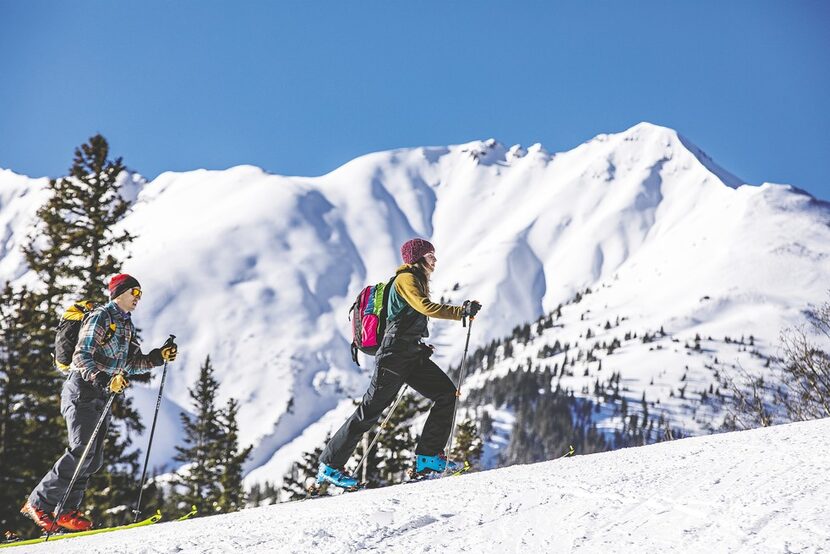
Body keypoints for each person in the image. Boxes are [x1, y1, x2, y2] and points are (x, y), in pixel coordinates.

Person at [317, 238, 481, 488]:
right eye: (430, 255)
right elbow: (424, 307)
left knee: (446, 394)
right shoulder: (406, 279)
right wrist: (460, 312)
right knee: (370, 410)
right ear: (417, 258)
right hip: (394, 356)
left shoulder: (416, 280)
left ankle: (427, 458)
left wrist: (416, 344)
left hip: (408, 354)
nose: (434, 260)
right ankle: (330, 465)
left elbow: (404, 319)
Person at [20, 274, 178, 532]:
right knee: (81, 450)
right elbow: (81, 357)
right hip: (82, 389)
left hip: (100, 394)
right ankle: (39, 503)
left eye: (140, 294)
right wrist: (106, 379)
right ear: (119, 293)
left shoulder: (125, 325)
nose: (138, 298)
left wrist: (158, 357)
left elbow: (130, 362)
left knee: (92, 459)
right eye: (134, 292)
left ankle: (65, 510)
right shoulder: (101, 316)